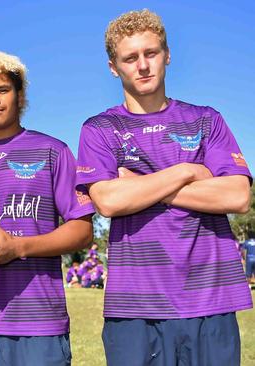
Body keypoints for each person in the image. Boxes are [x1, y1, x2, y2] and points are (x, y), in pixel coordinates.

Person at [76, 9, 252, 365]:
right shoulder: (99, 128)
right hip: (135, 305)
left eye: (151, 53)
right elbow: (108, 201)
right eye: (130, 58)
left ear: (167, 55)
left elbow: (237, 195)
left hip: (211, 298)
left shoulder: (206, 119)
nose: (142, 65)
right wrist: (190, 171)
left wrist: (140, 185)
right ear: (114, 67)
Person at [0, 51, 94, 365]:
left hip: (41, 323)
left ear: (20, 95)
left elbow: (81, 231)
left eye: (2, 90)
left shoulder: (53, 151)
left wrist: (17, 247)